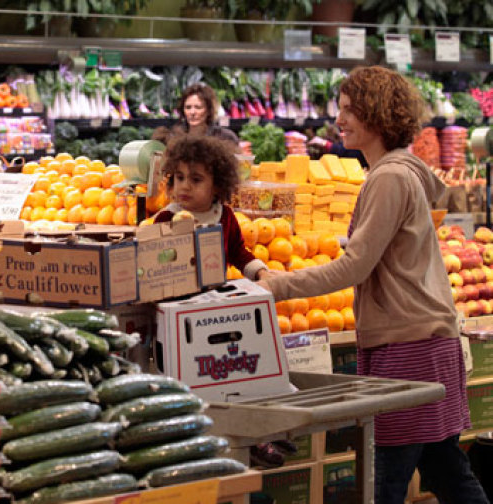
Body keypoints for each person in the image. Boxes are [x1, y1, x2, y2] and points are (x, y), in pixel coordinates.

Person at [258, 66, 488, 504]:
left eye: (349, 110)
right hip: (425, 340)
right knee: (447, 472)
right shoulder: (399, 172)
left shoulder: (389, 177)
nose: (339, 120)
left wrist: (278, 286)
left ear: (377, 115)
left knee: (385, 480)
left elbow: (354, 267)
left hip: (409, 347)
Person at [153, 134, 269, 282]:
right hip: (176, 299)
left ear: (217, 185)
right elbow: (157, 262)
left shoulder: (224, 215)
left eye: (196, 180)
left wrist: (260, 272)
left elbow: (237, 251)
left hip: (215, 297)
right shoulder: (166, 217)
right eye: (180, 177)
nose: (185, 186)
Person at [152, 83, 239, 148]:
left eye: (198, 107)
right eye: (188, 107)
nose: (192, 112)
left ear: (208, 110)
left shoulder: (225, 138)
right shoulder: (173, 138)